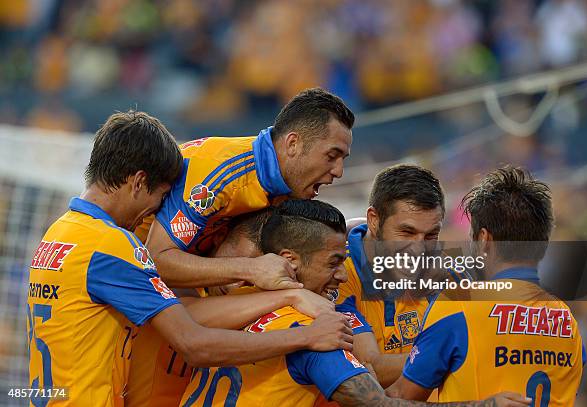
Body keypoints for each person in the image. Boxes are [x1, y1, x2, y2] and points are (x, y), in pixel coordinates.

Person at [26, 111, 353, 406]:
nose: (156, 211)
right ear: (139, 182)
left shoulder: (59, 234)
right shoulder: (113, 247)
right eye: (161, 196)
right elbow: (195, 344)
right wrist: (307, 336)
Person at [180, 199, 530, 407]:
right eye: (333, 262)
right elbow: (378, 404)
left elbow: (186, 320)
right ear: (290, 259)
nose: (343, 275)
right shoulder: (318, 336)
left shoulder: (238, 299)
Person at [386, 166, 585, 406]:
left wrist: (348, 371)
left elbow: (399, 398)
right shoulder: (568, 322)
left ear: (483, 240)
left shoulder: (460, 306)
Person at [140, 87, 354, 290]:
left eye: (342, 159)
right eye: (331, 156)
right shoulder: (219, 174)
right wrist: (249, 269)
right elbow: (158, 259)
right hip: (135, 270)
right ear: (293, 144)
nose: (339, 171)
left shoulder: (288, 186)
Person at [126, 209, 337, 406]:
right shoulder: (169, 282)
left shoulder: (262, 300)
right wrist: (292, 296)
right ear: (221, 237)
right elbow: (189, 317)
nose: (242, 281)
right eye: (244, 264)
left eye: (264, 273)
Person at [333, 165, 466, 387]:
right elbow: (370, 367)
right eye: (407, 232)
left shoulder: (448, 275)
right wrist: (452, 354)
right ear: (374, 220)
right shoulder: (337, 274)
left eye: (431, 235)